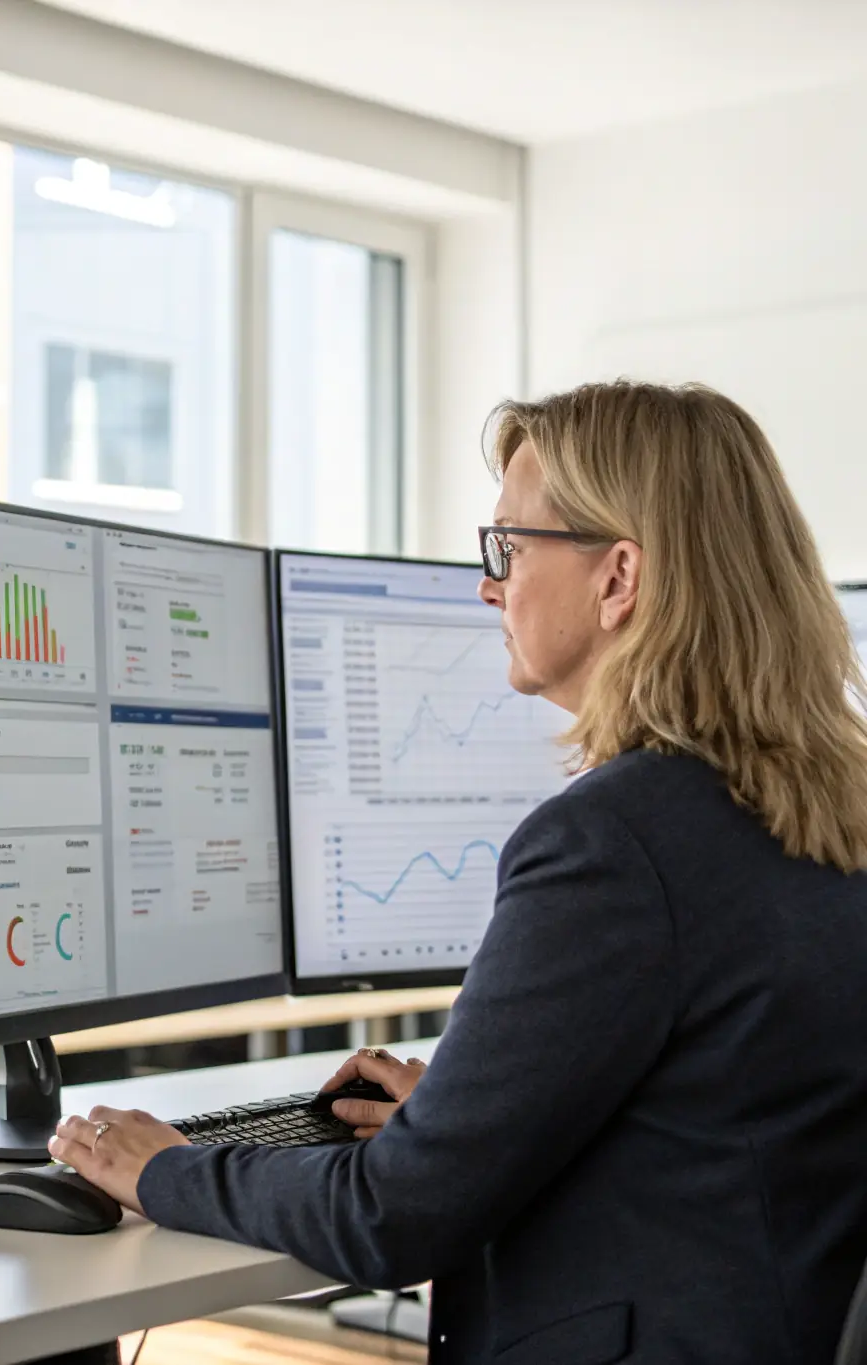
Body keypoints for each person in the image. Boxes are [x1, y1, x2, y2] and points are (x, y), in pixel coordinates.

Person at [50, 381, 867, 1364]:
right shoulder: (825, 807)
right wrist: (469, 1114)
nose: (487, 586)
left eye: (508, 550)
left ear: (618, 578)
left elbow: (395, 1220)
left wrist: (165, 1168)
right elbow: (714, 1114)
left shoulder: (613, 843)